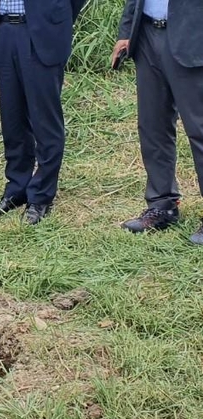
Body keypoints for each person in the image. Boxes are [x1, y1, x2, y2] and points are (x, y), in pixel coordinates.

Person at [0, 0, 86, 225]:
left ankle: (41, 196)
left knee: (45, 121)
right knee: (12, 119)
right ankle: (17, 188)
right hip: (5, 31)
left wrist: (55, 21)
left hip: (42, 35)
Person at [112, 0, 203, 244]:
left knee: (200, 130)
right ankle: (162, 205)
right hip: (148, 36)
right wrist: (127, 31)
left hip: (194, 39)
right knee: (153, 126)